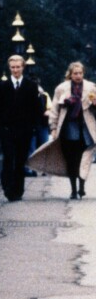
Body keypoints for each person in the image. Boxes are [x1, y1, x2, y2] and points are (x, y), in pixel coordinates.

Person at [0, 55, 44, 201]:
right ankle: (8, 187)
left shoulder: (31, 86)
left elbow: (37, 109)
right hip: (7, 129)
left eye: (18, 67)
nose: (15, 70)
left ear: (23, 67)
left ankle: (18, 190)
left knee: (20, 160)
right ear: (9, 68)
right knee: (8, 158)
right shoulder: (2, 87)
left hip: (24, 130)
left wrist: (34, 127)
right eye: (13, 67)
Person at [45, 62, 96, 199]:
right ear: (70, 74)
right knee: (71, 160)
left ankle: (82, 187)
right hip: (69, 128)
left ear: (83, 73)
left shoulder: (91, 87)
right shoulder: (61, 88)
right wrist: (53, 127)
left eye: (80, 73)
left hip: (86, 128)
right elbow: (54, 109)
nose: (78, 76)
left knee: (84, 159)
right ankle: (73, 189)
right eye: (75, 73)